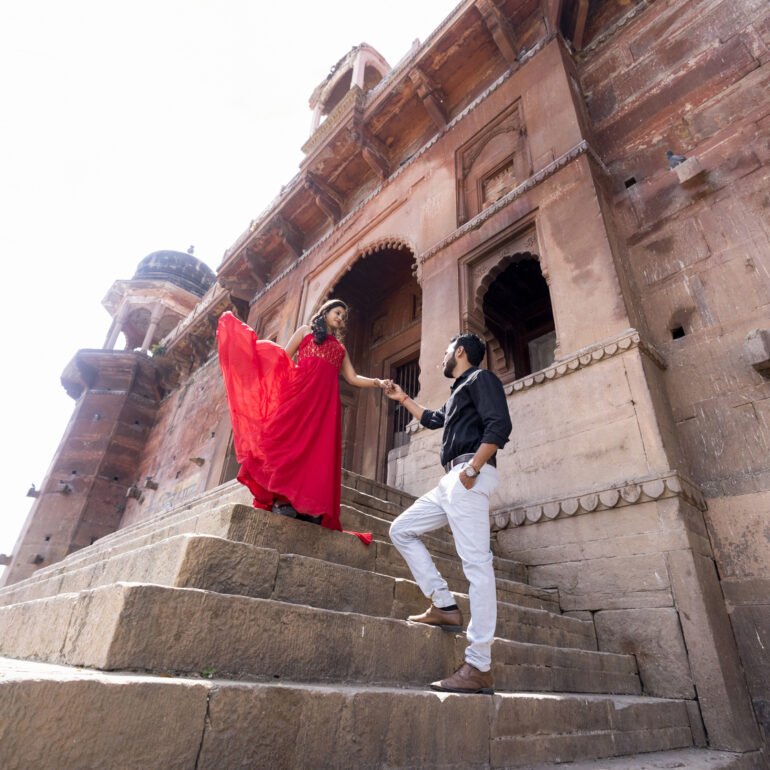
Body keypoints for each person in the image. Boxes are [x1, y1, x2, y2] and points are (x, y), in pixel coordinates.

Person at [385, 333, 512, 694]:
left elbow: (499, 425)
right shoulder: (460, 390)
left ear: (460, 352)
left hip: (469, 475)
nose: (442, 357)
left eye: (445, 351)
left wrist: (473, 469)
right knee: (401, 529)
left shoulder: (481, 379)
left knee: (477, 564)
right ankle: (443, 603)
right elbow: (433, 418)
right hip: (451, 481)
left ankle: (480, 665)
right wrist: (403, 398)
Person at [217, 299, 386, 544]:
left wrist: (377, 382)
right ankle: (282, 499)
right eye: (337, 312)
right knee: (286, 443)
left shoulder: (340, 348)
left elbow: (352, 377)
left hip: (325, 405)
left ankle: (308, 507)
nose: (340, 318)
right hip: (299, 395)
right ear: (325, 312)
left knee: (316, 453)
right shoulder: (305, 332)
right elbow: (282, 360)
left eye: (343, 316)